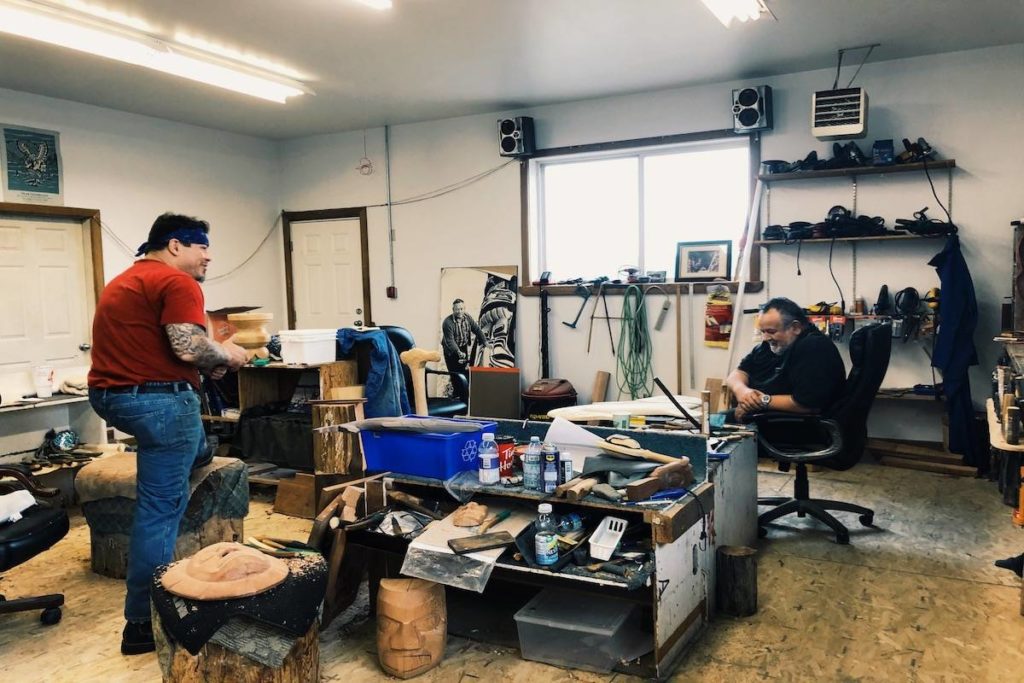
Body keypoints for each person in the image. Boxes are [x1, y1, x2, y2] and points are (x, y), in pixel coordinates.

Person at [87, 213, 247, 655]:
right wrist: (228, 355)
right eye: (202, 247)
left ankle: (195, 449)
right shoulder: (178, 282)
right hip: (159, 404)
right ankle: (143, 622)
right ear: (175, 245)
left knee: (191, 444)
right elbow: (186, 345)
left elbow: (162, 347)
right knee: (159, 509)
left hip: (113, 396)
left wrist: (208, 364)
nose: (208, 256)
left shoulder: (126, 280)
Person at [725, 297, 846, 422]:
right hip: (760, 414)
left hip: (793, 424)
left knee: (716, 425)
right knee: (713, 421)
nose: (765, 338)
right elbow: (738, 373)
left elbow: (808, 405)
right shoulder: (769, 346)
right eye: (763, 332)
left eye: (771, 331)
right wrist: (743, 392)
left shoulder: (814, 347)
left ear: (795, 327)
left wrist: (760, 401)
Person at [440, 299, 487, 401]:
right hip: (451, 350)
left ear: (464, 309)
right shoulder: (447, 323)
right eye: (457, 309)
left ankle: (464, 394)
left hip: (463, 346)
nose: (459, 311)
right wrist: (458, 352)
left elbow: (477, 329)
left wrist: (485, 342)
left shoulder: (467, 317)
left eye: (461, 309)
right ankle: (456, 394)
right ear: (453, 310)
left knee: (462, 370)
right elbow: (450, 341)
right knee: (454, 372)